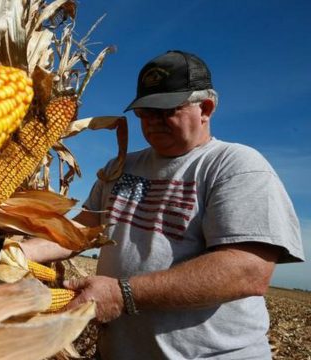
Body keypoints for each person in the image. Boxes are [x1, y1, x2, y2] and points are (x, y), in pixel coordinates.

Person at [20, 50, 305, 359]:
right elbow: (81, 228)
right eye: (145, 112)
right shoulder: (120, 167)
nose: (153, 122)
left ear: (205, 108)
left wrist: (122, 294)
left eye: (166, 110)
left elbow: (247, 270)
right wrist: (18, 254)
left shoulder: (235, 166)